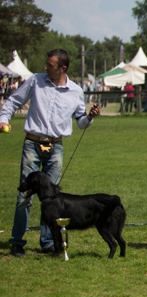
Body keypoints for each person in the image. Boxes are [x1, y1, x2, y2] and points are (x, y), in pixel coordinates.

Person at [0, 48, 101, 257]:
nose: (46, 68)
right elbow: (13, 101)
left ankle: (48, 241)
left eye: (51, 65)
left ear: (63, 68)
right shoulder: (36, 81)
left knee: (52, 199)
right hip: (32, 144)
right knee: (23, 196)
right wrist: (3, 119)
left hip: (56, 146)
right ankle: (17, 241)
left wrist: (90, 117)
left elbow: (81, 122)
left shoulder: (75, 91)